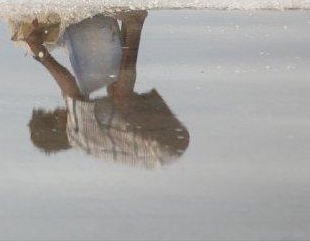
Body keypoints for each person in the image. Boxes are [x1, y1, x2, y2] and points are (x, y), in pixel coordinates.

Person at [18, 11, 190, 169]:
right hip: (163, 145)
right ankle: (134, 23)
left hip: (172, 144)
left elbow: (70, 92)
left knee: (114, 86)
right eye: (55, 112)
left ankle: (130, 23)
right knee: (119, 97)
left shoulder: (87, 140)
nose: (60, 109)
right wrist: (40, 52)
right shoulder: (78, 134)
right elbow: (71, 90)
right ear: (56, 123)